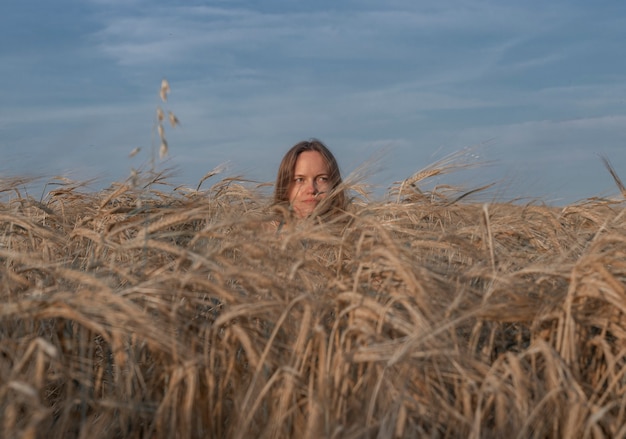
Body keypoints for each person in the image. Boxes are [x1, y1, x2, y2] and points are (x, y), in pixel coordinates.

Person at [273, 139, 347, 221]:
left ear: (334, 185)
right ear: (284, 187)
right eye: (300, 180)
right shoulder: (261, 232)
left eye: (322, 179)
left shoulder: (356, 232)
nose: (311, 189)